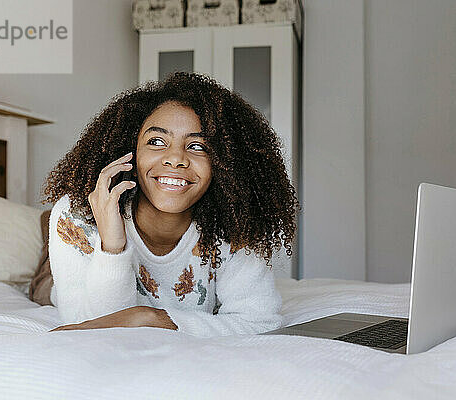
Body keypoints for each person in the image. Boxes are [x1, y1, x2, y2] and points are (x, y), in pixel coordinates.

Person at [41, 72, 300, 337]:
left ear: (223, 163)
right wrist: (112, 248)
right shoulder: (77, 215)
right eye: (156, 141)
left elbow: (259, 321)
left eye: (198, 146)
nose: (175, 159)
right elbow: (86, 331)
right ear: (130, 150)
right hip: (78, 251)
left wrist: (149, 318)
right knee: (44, 288)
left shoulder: (235, 221)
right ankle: (44, 240)